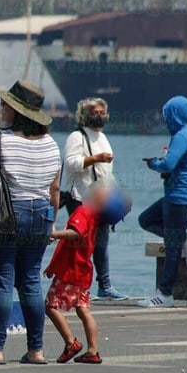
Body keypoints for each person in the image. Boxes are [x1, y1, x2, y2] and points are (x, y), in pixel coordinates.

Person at [0, 80, 60, 365]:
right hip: (41, 215)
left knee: (2, 283)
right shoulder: (52, 144)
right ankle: (36, 350)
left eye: (6, 103)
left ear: (17, 111)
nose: (1, 107)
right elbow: (54, 190)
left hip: (7, 216)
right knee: (30, 282)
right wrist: (52, 223)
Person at [137, 96, 187, 308]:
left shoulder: (183, 136)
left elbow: (169, 164)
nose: (166, 119)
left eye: (168, 115)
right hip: (179, 195)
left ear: (174, 115)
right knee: (145, 219)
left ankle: (164, 294)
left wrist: (154, 163)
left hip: (180, 197)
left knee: (172, 246)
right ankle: (182, 238)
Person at [62, 98, 128, 301]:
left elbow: (105, 171)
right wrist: (95, 158)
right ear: (85, 115)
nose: (99, 116)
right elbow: (71, 162)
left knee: (101, 244)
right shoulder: (77, 136)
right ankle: (73, 285)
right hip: (80, 198)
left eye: (102, 112)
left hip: (101, 200)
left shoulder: (102, 137)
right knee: (81, 245)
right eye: (94, 112)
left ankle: (104, 285)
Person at [45, 183, 112, 365]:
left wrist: (54, 234)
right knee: (83, 310)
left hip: (71, 270)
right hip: (84, 270)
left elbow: (76, 232)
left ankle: (70, 343)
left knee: (50, 305)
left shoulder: (83, 212)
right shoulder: (95, 215)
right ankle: (93, 350)